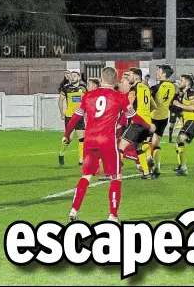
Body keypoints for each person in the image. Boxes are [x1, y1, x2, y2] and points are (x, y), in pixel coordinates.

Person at [63, 67, 149, 223]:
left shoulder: (88, 96)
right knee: (116, 177)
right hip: (107, 142)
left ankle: (74, 210)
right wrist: (149, 126)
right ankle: (113, 215)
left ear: (101, 79)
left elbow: (75, 117)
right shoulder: (120, 97)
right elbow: (134, 117)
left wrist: (66, 135)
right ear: (115, 81)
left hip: (90, 141)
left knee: (86, 176)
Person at [118, 67, 156, 179]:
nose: (128, 77)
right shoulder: (146, 88)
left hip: (138, 122)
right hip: (147, 122)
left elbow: (128, 105)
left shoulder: (133, 90)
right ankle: (146, 173)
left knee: (120, 147)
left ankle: (116, 173)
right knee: (139, 147)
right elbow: (153, 105)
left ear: (135, 76)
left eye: (129, 75)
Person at [149, 64, 176, 177]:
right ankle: (157, 166)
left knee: (145, 142)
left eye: (158, 71)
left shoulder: (155, 87)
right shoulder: (173, 87)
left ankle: (148, 163)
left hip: (153, 116)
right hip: (164, 117)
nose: (157, 72)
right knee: (156, 143)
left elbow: (148, 101)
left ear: (164, 73)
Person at [172, 74, 194, 176]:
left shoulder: (191, 92)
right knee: (178, 143)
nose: (180, 82)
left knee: (181, 139)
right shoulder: (182, 94)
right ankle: (181, 166)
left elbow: (193, 107)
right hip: (186, 121)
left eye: (181, 80)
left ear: (187, 81)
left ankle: (183, 167)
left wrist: (178, 104)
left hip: (192, 120)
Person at [58, 71, 87, 166]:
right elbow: (60, 100)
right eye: (71, 76)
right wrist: (62, 113)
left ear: (79, 77)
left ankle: (81, 159)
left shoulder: (83, 88)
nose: (73, 77)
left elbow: (88, 101)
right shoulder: (66, 88)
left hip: (80, 116)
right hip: (69, 116)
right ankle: (61, 152)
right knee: (69, 138)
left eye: (75, 76)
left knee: (82, 138)